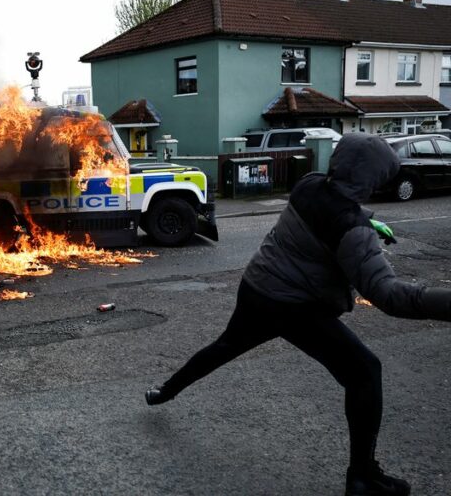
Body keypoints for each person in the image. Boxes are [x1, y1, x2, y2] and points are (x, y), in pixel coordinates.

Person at [144, 133, 451, 496]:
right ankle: (363, 476)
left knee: (225, 345)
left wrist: (365, 221)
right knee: (365, 372)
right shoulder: (351, 229)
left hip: (258, 286)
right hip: (294, 306)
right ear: (374, 177)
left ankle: (165, 390)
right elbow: (389, 296)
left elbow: (332, 210)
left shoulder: (310, 184)